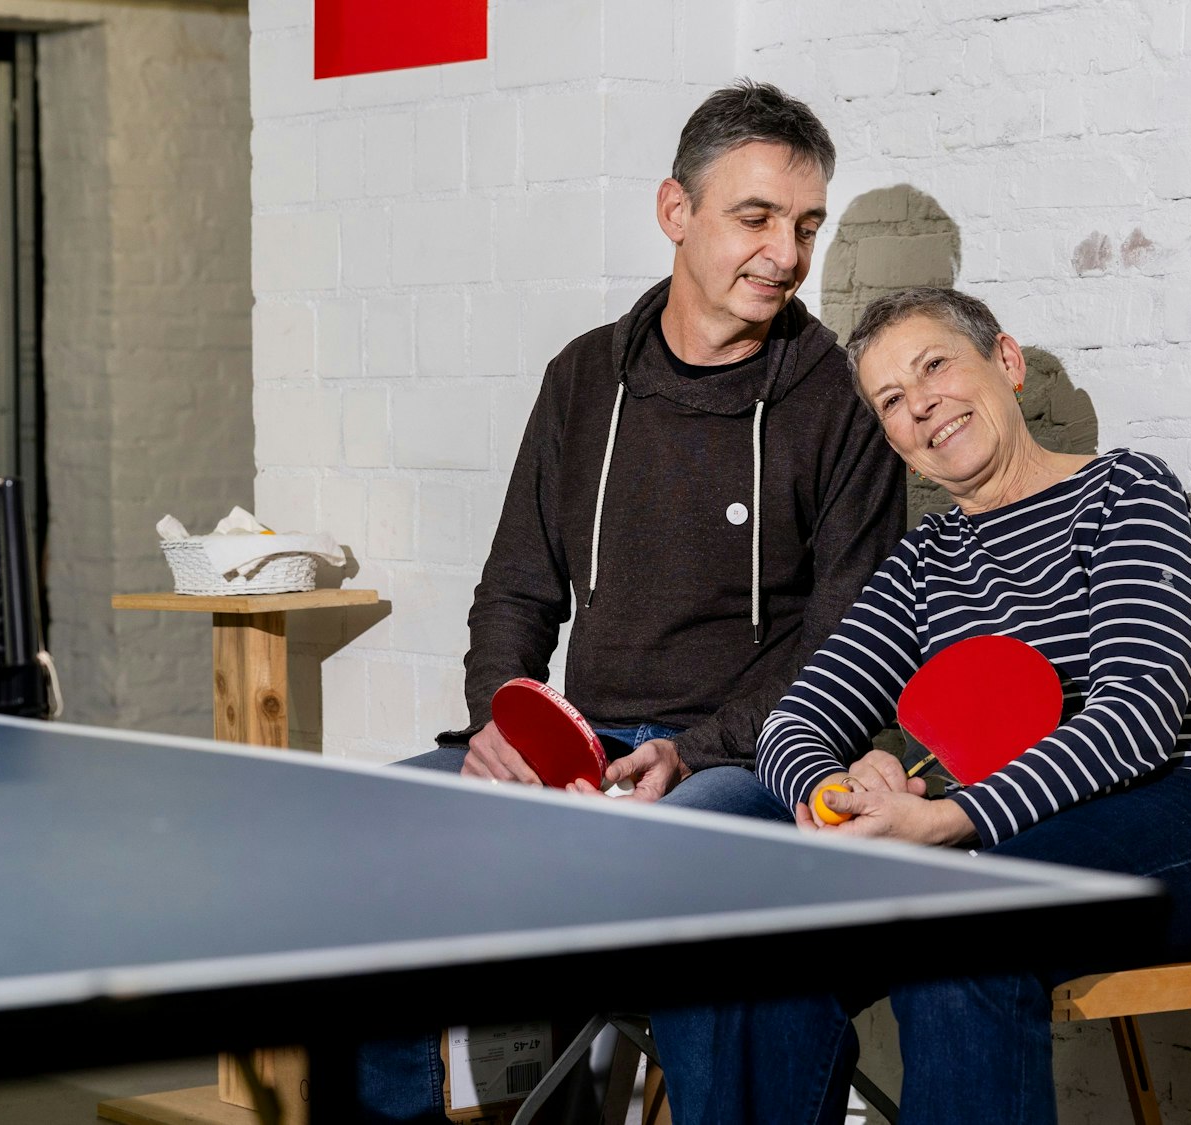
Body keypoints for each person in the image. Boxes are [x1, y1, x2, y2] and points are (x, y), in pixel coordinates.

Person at [360, 82, 905, 1123]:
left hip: (747, 764)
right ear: (675, 213)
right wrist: (499, 720)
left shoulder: (838, 401)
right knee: (371, 835)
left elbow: (848, 651)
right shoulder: (581, 380)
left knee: (689, 870)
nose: (784, 255)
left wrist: (697, 753)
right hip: (585, 747)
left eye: (804, 226)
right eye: (754, 219)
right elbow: (516, 587)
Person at [648, 288, 1191, 1125]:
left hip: (1178, 820)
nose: (921, 404)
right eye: (892, 401)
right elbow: (797, 720)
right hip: (992, 840)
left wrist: (949, 820)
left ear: (1006, 363)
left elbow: (1137, 715)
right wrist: (837, 795)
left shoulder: (1126, 492)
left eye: (934, 365)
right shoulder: (922, 561)